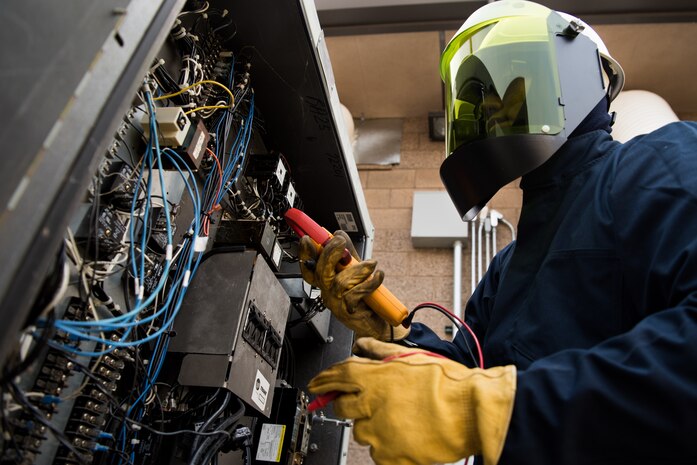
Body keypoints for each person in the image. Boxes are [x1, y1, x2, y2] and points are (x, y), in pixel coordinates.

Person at [300, 1, 697, 465]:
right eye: (477, 94)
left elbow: (482, 400)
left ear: (576, 71)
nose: (489, 105)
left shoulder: (660, 162)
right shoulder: (507, 269)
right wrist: (392, 328)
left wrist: (500, 409)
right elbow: (468, 374)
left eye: (511, 80)